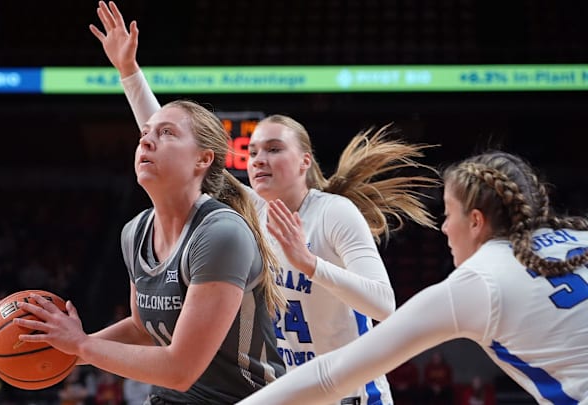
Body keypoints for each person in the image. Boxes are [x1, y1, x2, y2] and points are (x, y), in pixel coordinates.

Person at [88, 2, 438, 403]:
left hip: (353, 397)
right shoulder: (247, 212)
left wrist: (310, 264)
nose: (258, 159)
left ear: (305, 161)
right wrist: (129, 72)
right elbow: (177, 151)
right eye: (252, 151)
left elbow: (384, 304)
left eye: (273, 149)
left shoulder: (333, 213)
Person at [236, 150, 588, 404]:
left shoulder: (479, 281)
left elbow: (333, 375)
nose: (445, 227)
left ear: (476, 221)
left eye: (448, 214)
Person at [15, 99, 287, 404]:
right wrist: (65, 351)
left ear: (203, 159)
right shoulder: (135, 231)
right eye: (145, 133)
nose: (146, 140)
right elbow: (143, 330)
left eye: (167, 132)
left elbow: (181, 369)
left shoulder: (221, 233)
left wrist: (82, 346)